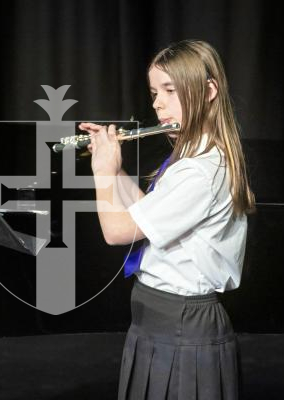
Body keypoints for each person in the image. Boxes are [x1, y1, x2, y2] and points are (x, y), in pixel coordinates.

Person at [79, 39, 255, 400]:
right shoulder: (189, 159)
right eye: (154, 91)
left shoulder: (199, 171)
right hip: (158, 318)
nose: (157, 103)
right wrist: (117, 168)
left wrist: (103, 173)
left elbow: (117, 232)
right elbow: (147, 213)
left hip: (183, 325)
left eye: (169, 90)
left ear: (208, 91)